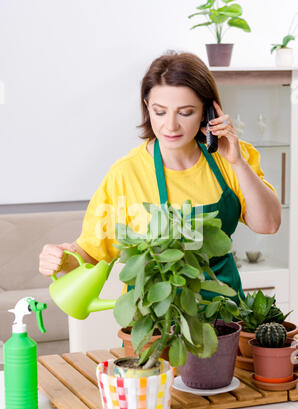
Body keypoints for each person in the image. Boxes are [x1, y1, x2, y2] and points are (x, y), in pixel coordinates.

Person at [39, 51, 281, 304]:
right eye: (160, 111)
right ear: (147, 107)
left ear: (207, 111)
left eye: (185, 112)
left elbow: (269, 224)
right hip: (154, 321)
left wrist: (237, 162)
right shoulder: (126, 174)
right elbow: (90, 252)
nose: (170, 126)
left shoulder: (231, 158)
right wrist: (60, 258)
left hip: (224, 316)